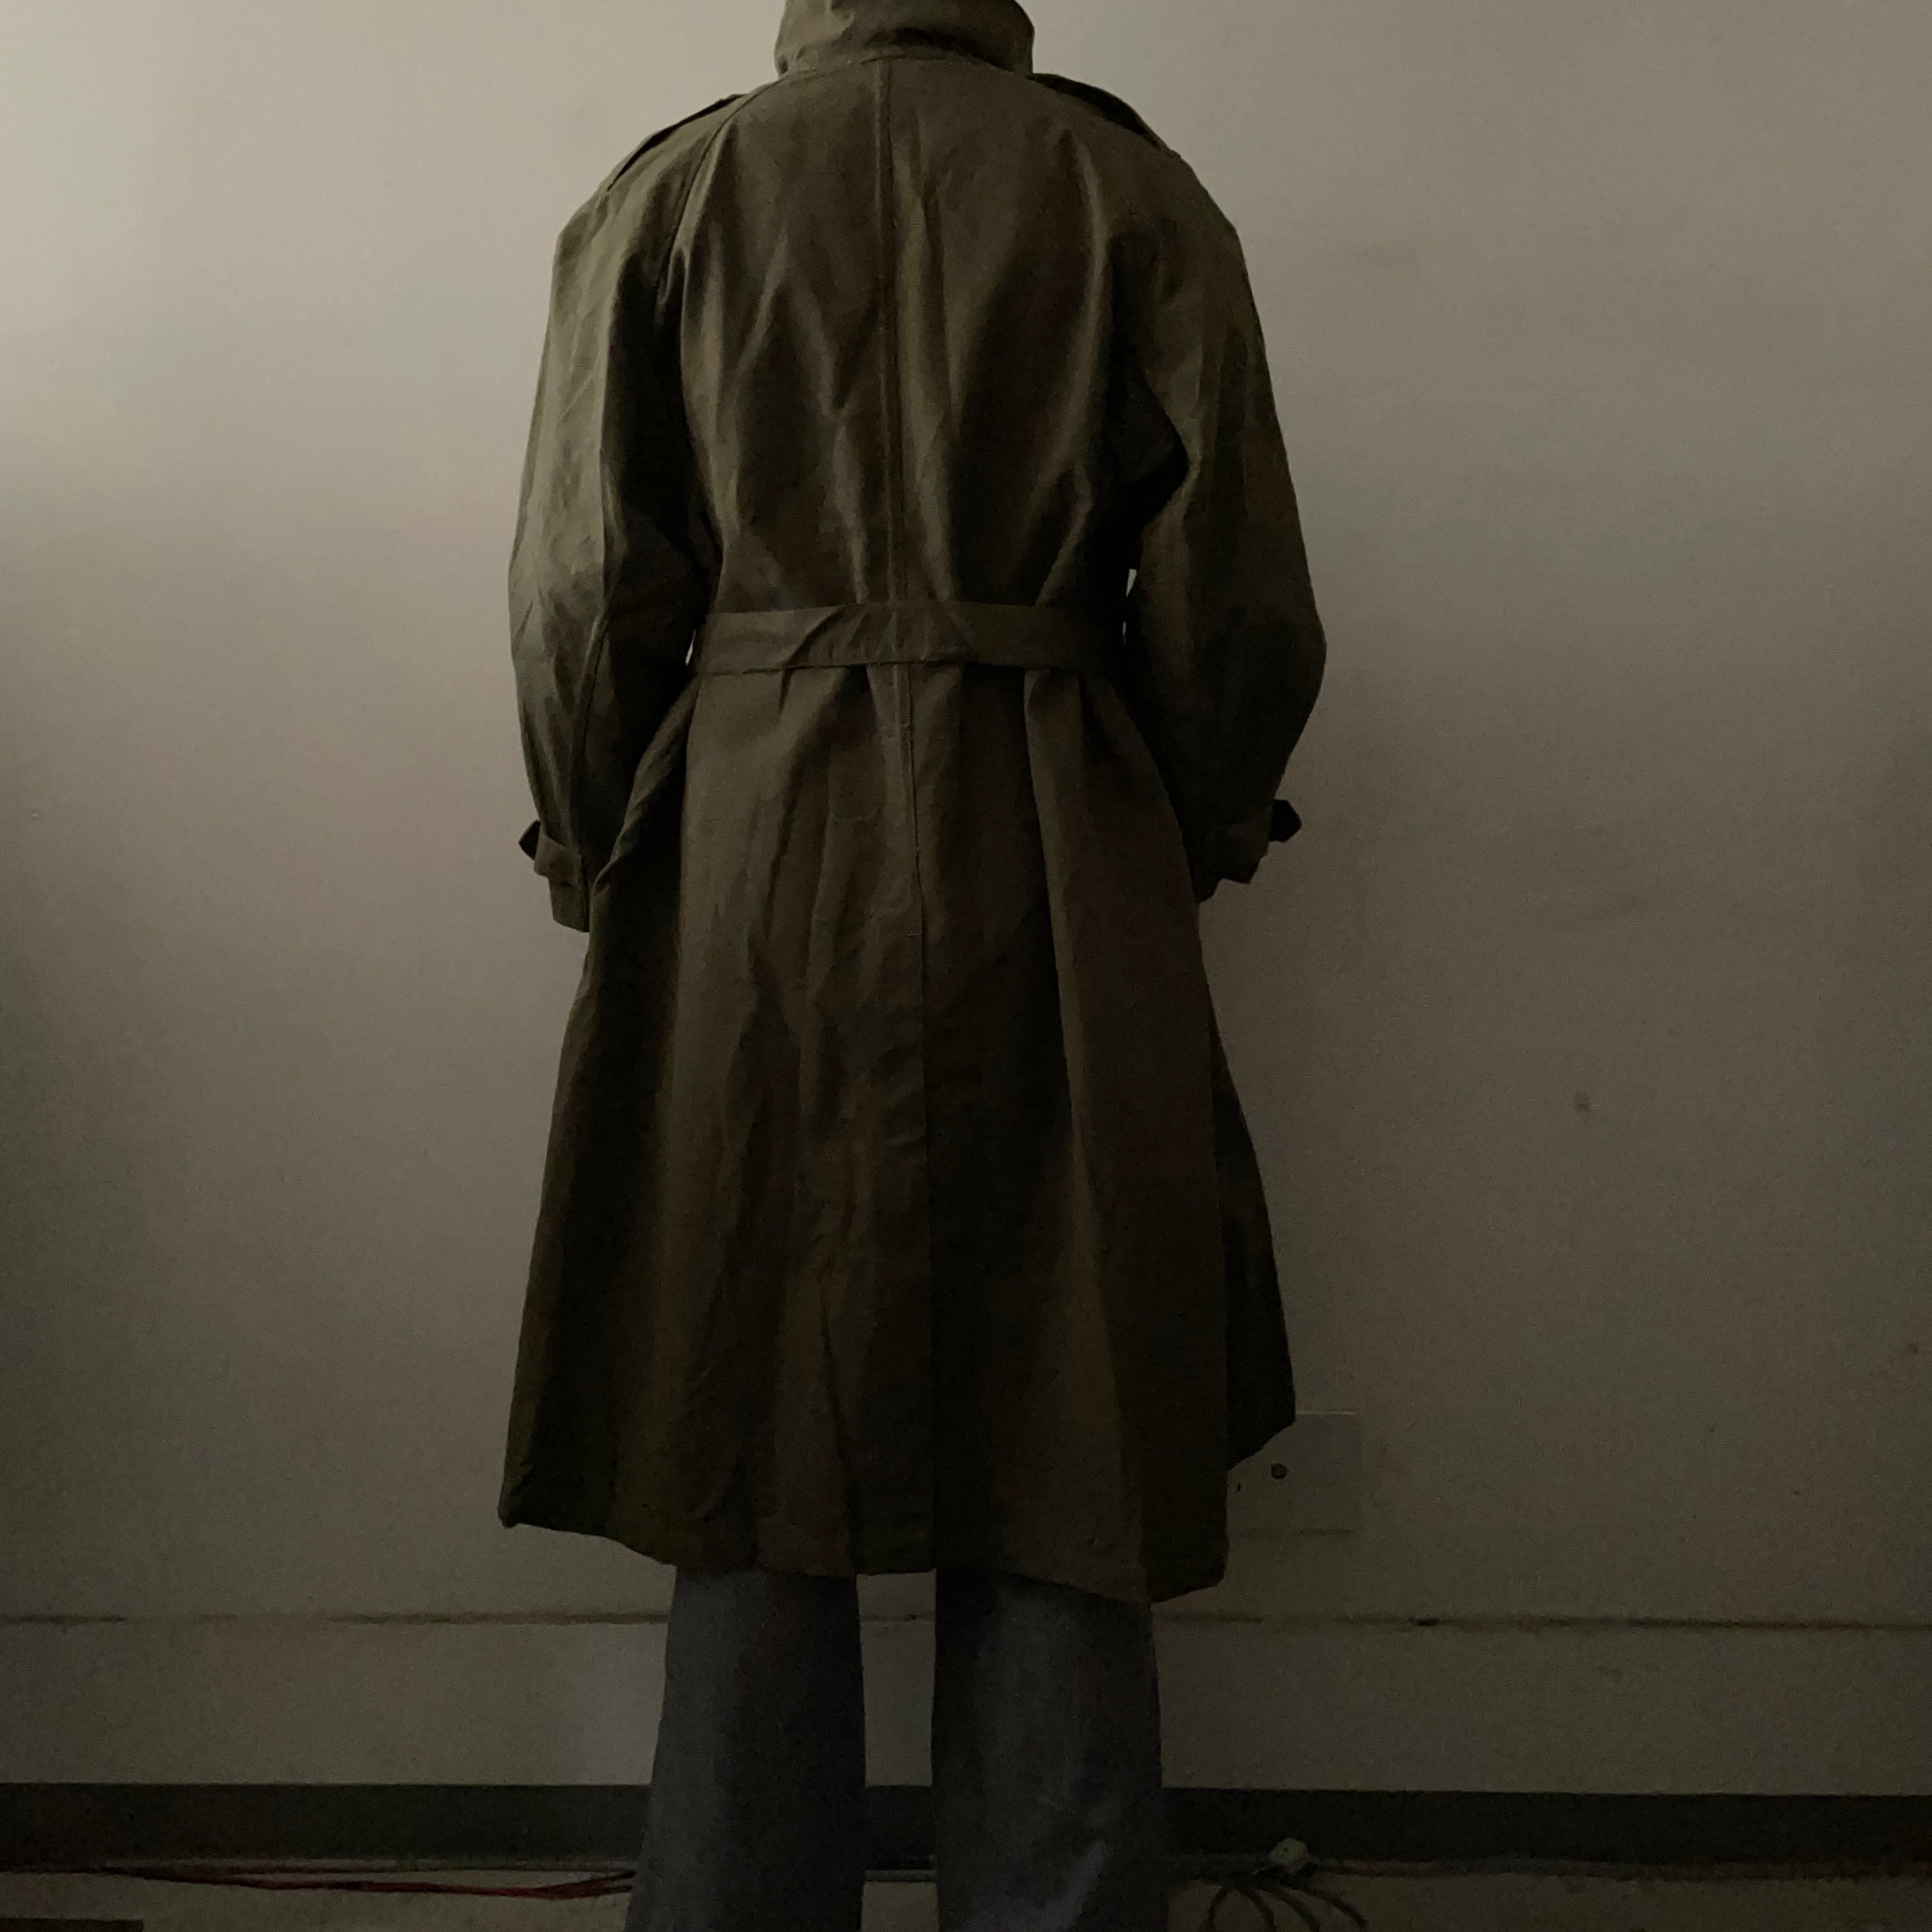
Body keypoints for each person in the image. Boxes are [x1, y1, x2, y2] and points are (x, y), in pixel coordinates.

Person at [500, 1, 1327, 1926]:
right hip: (1054, 829)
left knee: (741, 1382)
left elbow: (581, 587)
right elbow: (1237, 594)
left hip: (750, 839)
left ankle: (730, 1897)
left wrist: (592, 841)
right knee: (1070, 1392)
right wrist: (1192, 820)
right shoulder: (1124, 186)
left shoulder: (677, 192)